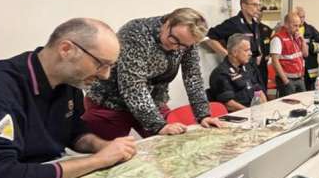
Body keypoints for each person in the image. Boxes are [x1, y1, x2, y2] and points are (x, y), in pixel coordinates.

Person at [0, 18, 137, 178]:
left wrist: (102, 146)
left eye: (111, 67)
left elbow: (75, 133)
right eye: (101, 64)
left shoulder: (70, 83)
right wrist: (96, 161)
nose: (105, 75)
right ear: (66, 49)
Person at [84, 8, 222, 140]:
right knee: (111, 157)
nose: (176, 47)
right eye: (173, 39)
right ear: (167, 22)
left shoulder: (187, 40)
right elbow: (133, 84)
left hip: (153, 102)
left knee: (170, 149)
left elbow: (193, 77)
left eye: (183, 46)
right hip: (110, 103)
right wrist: (158, 126)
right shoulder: (136, 32)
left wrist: (203, 115)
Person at [206, 0, 267, 86]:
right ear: (244, 5)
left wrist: (259, 54)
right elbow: (209, 37)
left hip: (257, 68)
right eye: (254, 5)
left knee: (261, 95)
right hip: (242, 69)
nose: (258, 8)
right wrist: (226, 54)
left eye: (259, 5)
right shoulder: (233, 23)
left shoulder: (255, 24)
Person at [208, 34, 267, 111]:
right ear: (234, 52)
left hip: (253, 112)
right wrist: (250, 112)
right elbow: (229, 104)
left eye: (250, 50)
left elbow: (259, 91)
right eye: (246, 50)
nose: (250, 53)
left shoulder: (248, 66)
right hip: (238, 115)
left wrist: (266, 108)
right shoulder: (221, 73)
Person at [270, 11, 308, 96]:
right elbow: (275, 62)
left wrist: (302, 39)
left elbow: (305, 54)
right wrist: (286, 81)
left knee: (302, 104)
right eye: (295, 25)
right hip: (287, 80)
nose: (298, 28)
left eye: (299, 25)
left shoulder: (296, 37)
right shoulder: (278, 38)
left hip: (300, 78)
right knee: (288, 106)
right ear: (286, 24)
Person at [295, 6, 319, 91]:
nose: (302, 19)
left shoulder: (311, 30)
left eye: (303, 17)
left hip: (310, 72)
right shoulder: (290, 30)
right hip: (295, 71)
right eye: (299, 17)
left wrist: (309, 47)